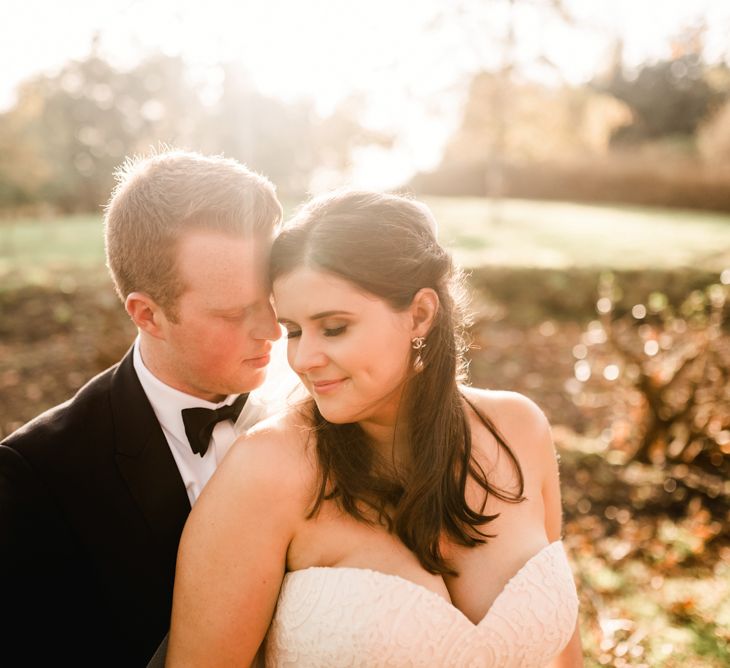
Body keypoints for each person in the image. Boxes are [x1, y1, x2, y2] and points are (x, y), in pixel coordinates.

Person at [167, 190, 584, 667]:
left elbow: (563, 654)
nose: (303, 359)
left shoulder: (519, 430)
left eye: (335, 327)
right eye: (295, 331)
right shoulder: (266, 471)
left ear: (420, 315)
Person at [0, 150, 284, 667]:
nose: (273, 330)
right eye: (234, 313)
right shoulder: (37, 475)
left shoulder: (326, 402)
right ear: (148, 314)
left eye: (272, 298)